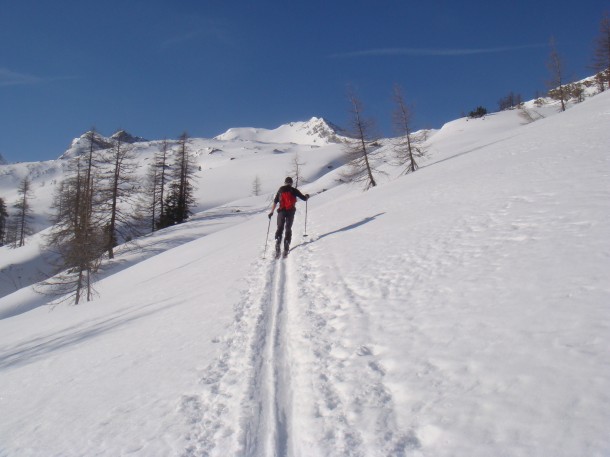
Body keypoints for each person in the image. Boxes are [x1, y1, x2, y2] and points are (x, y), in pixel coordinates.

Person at [268, 176, 309, 257]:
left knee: (280, 228)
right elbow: (304, 198)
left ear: (285, 182)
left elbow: (275, 202)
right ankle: (286, 243)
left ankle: (278, 241)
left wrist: (271, 212)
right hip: (291, 211)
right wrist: (307, 196)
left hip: (281, 212)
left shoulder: (280, 190)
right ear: (291, 183)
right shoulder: (293, 190)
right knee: (288, 228)